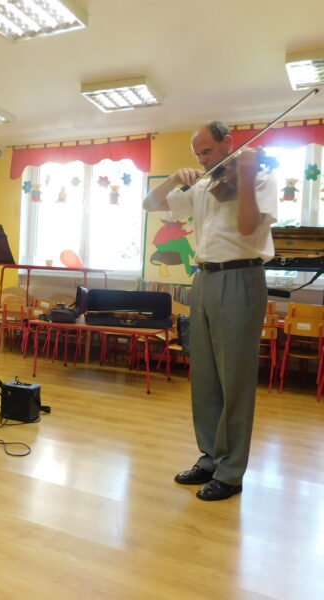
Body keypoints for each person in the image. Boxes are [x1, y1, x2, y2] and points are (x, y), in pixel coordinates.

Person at [143, 121, 277, 501]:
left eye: (208, 151)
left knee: (234, 379)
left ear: (228, 143)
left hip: (241, 277)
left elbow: (248, 228)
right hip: (203, 279)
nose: (203, 159)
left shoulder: (259, 176)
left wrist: (246, 174)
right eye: (198, 154)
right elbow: (150, 204)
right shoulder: (203, 185)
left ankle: (231, 472)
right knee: (203, 376)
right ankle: (210, 458)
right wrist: (174, 179)